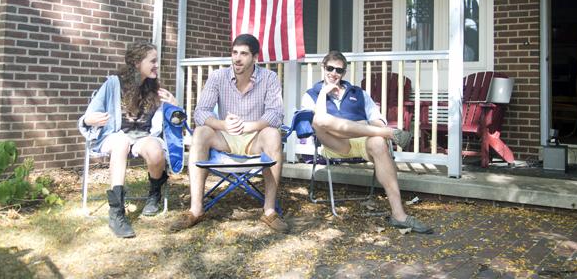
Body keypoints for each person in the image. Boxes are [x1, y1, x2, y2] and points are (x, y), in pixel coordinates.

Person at [301, 50, 433, 234]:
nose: (333, 73)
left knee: (378, 143)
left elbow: (378, 120)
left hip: (360, 142)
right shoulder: (311, 95)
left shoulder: (359, 93)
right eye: (330, 68)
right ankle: (390, 134)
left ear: (344, 73)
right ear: (323, 68)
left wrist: (357, 125)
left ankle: (399, 215)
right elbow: (317, 122)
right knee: (318, 120)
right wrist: (324, 92)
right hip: (334, 144)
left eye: (338, 70)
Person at [171, 34, 287, 233]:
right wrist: (222, 124)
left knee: (273, 134)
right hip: (225, 137)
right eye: (234, 53)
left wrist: (250, 126)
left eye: (243, 54)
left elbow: (276, 114)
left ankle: (269, 211)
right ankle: (196, 209)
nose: (237, 58)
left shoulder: (269, 78)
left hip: (254, 138)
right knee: (200, 132)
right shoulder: (218, 76)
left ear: (255, 57)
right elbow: (201, 112)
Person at [78, 42, 177, 238]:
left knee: (156, 150)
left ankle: (154, 194)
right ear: (137, 62)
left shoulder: (154, 88)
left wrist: (174, 106)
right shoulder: (113, 84)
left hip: (142, 136)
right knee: (121, 142)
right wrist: (89, 120)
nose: (157, 65)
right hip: (113, 135)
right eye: (153, 61)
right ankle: (116, 212)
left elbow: (173, 122)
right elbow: (89, 115)